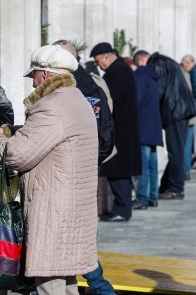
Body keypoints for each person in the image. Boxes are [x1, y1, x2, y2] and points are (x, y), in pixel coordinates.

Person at [0, 44, 99, 295]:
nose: (33, 84)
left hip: (54, 211)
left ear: (45, 74)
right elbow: (45, 140)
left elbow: (17, 155)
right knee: (65, 284)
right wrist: (12, 133)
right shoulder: (76, 99)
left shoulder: (51, 106)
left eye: (34, 75)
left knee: (49, 285)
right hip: (72, 209)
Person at [52, 39, 115, 295]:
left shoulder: (75, 87)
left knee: (75, 239)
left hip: (71, 173)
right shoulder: (91, 82)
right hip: (86, 169)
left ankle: (101, 288)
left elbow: (100, 131)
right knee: (79, 239)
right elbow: (106, 133)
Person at [90, 42, 141, 222]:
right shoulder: (123, 69)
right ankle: (121, 208)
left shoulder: (116, 72)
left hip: (120, 131)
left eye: (98, 61)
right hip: (124, 130)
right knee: (120, 171)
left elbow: (108, 98)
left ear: (106, 56)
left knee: (118, 171)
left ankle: (121, 210)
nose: (99, 66)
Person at [147, 52, 196, 199]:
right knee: (177, 151)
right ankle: (167, 186)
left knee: (175, 152)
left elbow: (159, 90)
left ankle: (176, 188)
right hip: (180, 110)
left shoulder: (157, 64)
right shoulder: (169, 63)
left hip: (175, 111)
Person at [131, 51, 163, 209]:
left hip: (142, 127)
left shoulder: (140, 78)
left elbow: (135, 101)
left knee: (142, 165)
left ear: (138, 61)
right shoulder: (153, 78)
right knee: (152, 164)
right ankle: (153, 197)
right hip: (154, 127)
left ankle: (142, 198)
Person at [180, 54, 196, 180]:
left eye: (184, 63)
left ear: (189, 63)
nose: (183, 65)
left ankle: (185, 170)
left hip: (189, 115)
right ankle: (186, 170)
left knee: (186, 143)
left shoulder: (191, 74)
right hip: (191, 114)